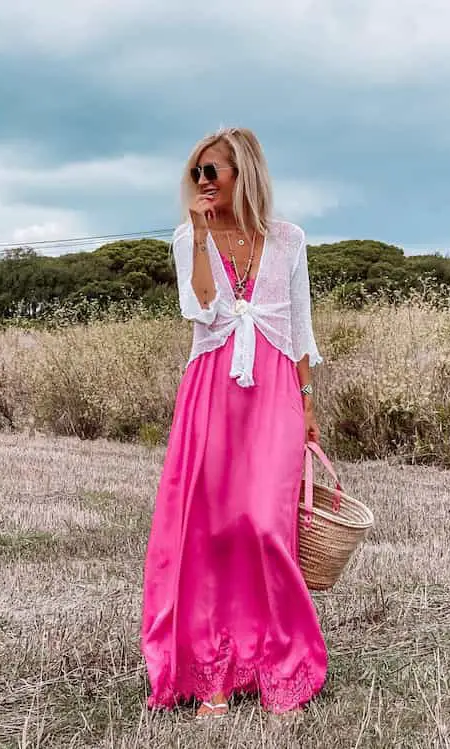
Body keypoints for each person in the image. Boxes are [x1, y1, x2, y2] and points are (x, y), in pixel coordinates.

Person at [140, 127, 327, 717]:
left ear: (243, 175)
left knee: (267, 525)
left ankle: (280, 664)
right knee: (213, 530)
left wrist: (309, 407)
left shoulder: (289, 240)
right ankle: (213, 672)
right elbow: (198, 307)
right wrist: (198, 237)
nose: (202, 182)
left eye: (213, 171)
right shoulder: (185, 236)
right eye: (196, 172)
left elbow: (298, 327)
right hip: (212, 389)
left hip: (275, 390)